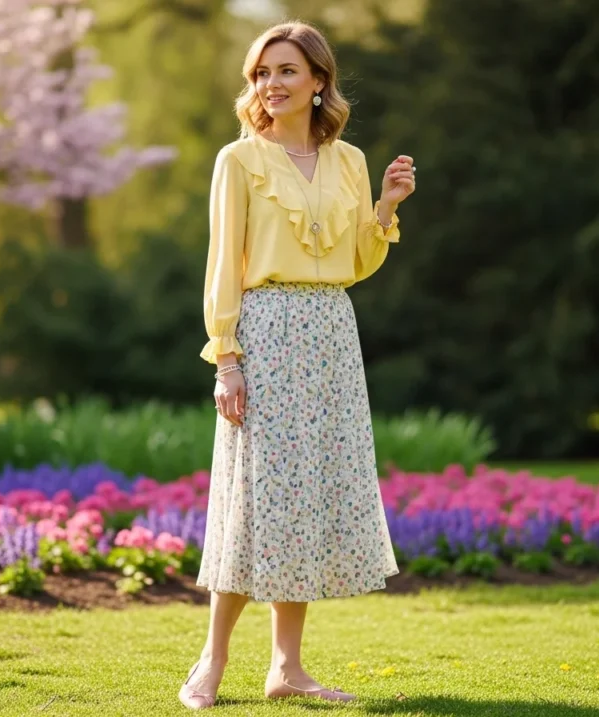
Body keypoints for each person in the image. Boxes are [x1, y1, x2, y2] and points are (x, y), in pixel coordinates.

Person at [180, 20, 416, 710]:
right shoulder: (238, 161)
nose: (270, 84)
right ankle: (212, 659)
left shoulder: (350, 160)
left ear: (319, 81)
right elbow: (223, 264)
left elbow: (356, 263)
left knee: (305, 500)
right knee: (256, 499)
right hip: (266, 333)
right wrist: (226, 357)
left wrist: (386, 208)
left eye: (285, 71)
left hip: (331, 333)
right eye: (260, 73)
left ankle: (287, 667)